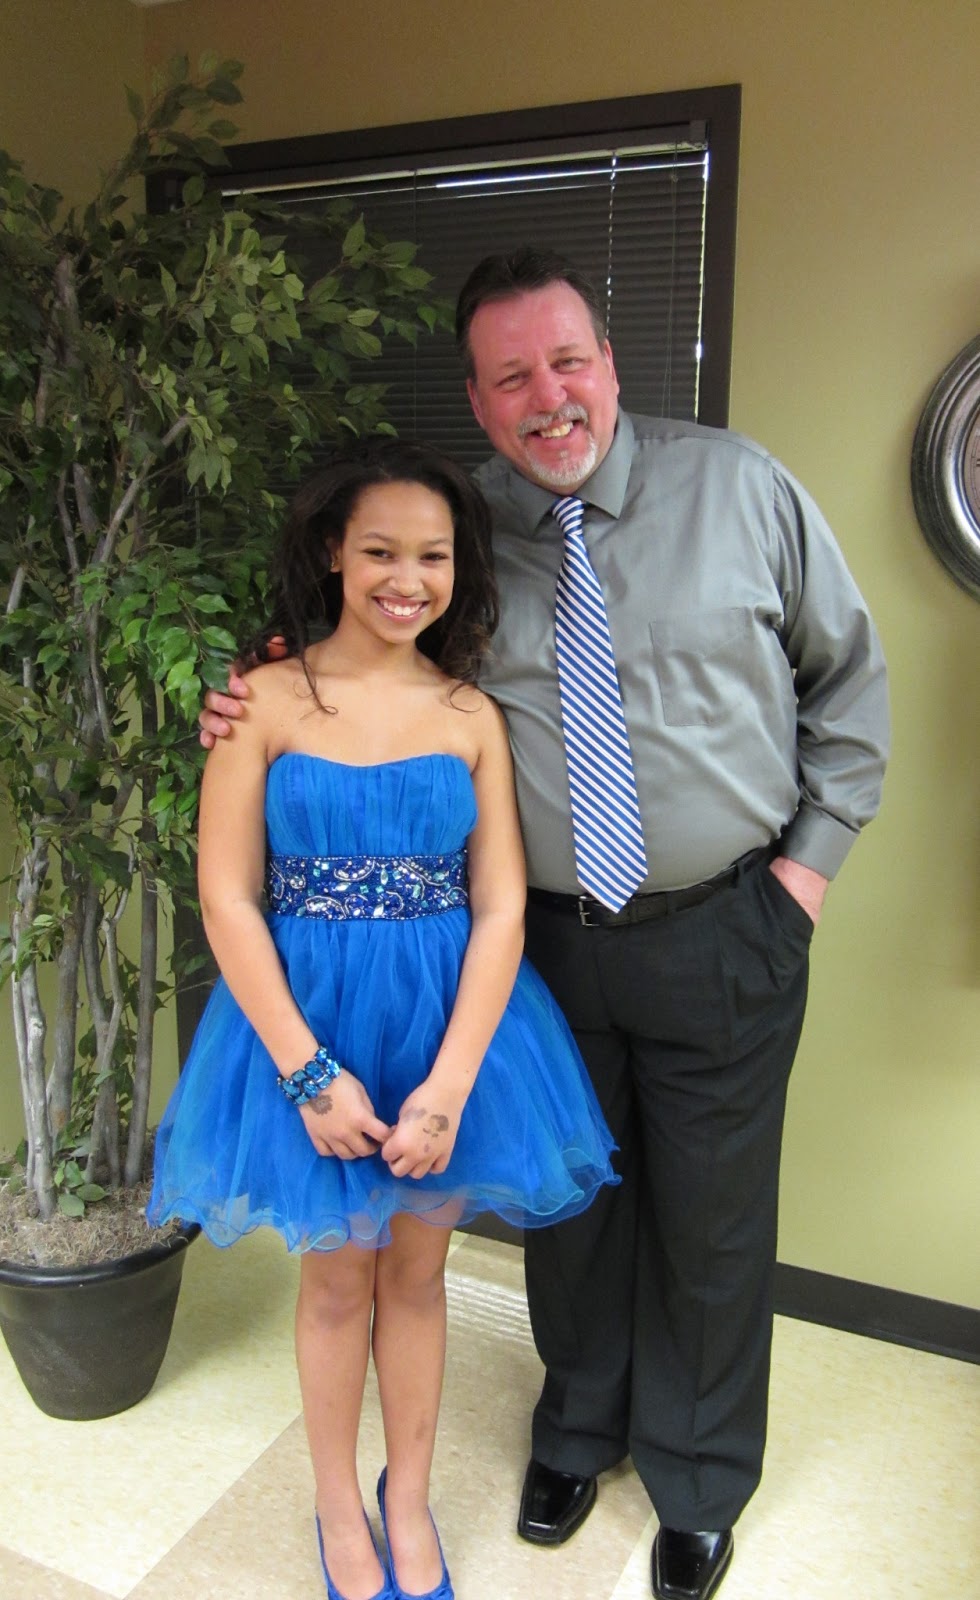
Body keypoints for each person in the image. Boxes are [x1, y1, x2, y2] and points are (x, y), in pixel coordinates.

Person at [200, 250, 890, 1600]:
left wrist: (800, 880)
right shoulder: (464, 531)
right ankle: (576, 1427)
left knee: (711, 1219)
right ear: (478, 397)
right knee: (566, 1208)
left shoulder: (740, 488)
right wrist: (257, 679)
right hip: (538, 944)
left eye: (568, 361)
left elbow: (847, 684)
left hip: (725, 923)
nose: (548, 395)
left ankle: (697, 1478)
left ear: (609, 362)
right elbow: (379, 654)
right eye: (511, 375)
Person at [152, 436, 618, 1600]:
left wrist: (449, 1086)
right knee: (333, 1285)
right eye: (379, 552)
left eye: (432, 555)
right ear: (331, 552)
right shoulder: (259, 701)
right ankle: (334, 1508)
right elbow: (225, 896)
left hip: (444, 1029)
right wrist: (309, 1075)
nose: (407, 579)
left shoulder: (468, 714)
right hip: (300, 1027)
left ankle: (404, 1498)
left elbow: (499, 905)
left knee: (414, 1280)